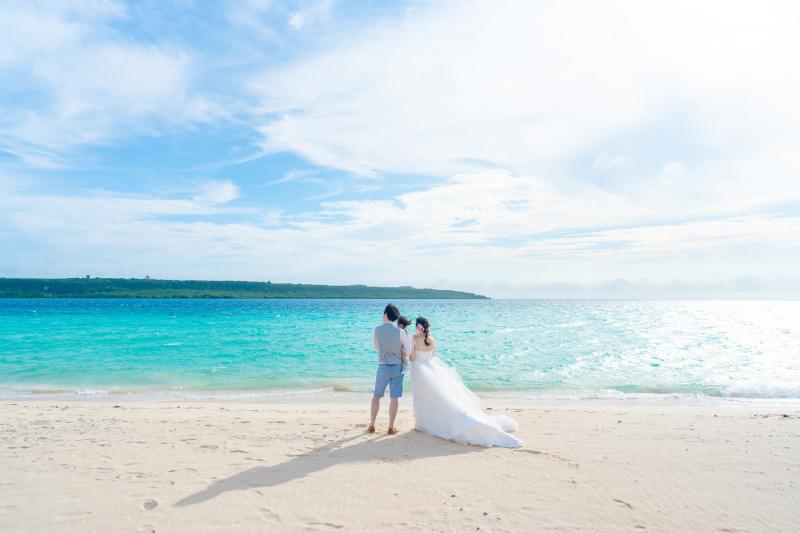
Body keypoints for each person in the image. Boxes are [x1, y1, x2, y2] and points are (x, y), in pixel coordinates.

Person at [409, 316, 522, 448]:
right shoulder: (432, 341)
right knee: (437, 398)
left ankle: (421, 424)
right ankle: (425, 424)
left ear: (418, 327)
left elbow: (412, 358)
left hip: (418, 371)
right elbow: (431, 358)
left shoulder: (414, 340)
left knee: (421, 398)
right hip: (431, 369)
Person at [370, 303, 404, 434]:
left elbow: (375, 346)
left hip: (383, 366)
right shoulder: (400, 332)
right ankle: (391, 426)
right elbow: (406, 348)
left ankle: (372, 424)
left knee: (376, 396)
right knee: (394, 397)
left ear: (385, 315)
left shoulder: (376, 329)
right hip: (397, 367)